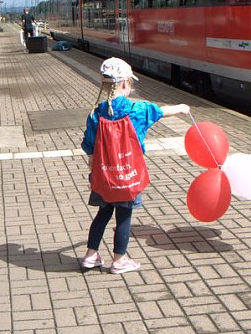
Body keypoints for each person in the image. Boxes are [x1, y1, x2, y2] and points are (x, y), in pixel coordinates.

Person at [80, 57, 190, 274]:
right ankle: (119, 261)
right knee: (124, 217)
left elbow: (90, 149)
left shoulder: (95, 114)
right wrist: (181, 107)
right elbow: (162, 111)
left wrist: (94, 175)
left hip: (104, 177)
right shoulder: (139, 110)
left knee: (103, 213)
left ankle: (90, 256)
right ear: (123, 84)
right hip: (128, 176)